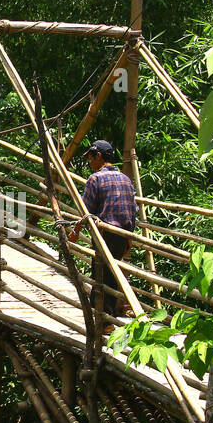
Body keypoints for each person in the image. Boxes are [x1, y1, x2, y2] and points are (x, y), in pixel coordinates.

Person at [68, 139, 136, 330]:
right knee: (112, 274)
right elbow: (132, 210)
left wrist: (75, 232)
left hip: (105, 233)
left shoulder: (95, 179)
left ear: (98, 156)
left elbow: (85, 211)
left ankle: (103, 322)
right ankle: (106, 319)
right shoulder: (126, 179)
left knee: (100, 275)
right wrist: (129, 237)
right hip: (122, 233)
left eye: (91, 158)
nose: (90, 163)